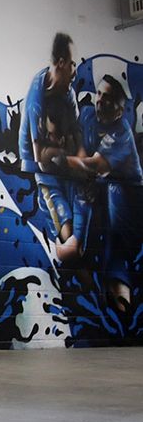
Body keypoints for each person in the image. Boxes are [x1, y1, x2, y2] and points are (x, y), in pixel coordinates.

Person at [66, 75, 143, 313]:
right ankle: (84, 267)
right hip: (100, 189)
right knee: (83, 194)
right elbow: (80, 150)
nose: (100, 100)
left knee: (113, 199)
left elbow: (94, 166)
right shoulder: (87, 115)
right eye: (99, 94)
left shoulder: (122, 132)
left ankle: (119, 292)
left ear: (120, 110)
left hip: (129, 201)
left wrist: (56, 160)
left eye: (108, 97)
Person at [19, 33, 88, 262]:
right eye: (73, 64)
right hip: (43, 168)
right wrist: (65, 155)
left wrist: (82, 164)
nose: (75, 71)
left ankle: (73, 252)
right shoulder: (36, 99)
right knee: (67, 229)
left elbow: (78, 133)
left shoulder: (68, 92)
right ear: (61, 63)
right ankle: (63, 250)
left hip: (64, 164)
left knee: (82, 212)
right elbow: (40, 158)